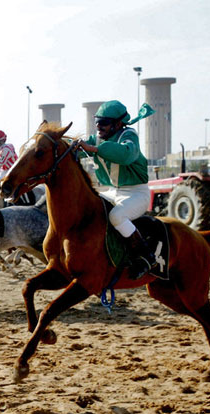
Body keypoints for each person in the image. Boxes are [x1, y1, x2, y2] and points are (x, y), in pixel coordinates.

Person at [77, 100, 156, 280]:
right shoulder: (98, 138)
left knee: (116, 216)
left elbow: (126, 154)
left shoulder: (129, 135)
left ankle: (145, 256)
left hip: (137, 193)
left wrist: (96, 149)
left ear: (118, 123)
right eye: (97, 121)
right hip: (113, 191)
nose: (99, 126)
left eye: (104, 123)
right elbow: (77, 146)